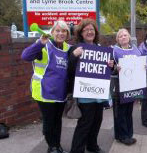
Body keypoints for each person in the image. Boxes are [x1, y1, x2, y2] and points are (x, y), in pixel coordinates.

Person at [21, 20, 70, 153]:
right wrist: (39, 44)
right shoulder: (44, 45)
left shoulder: (68, 48)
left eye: (64, 31)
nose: (61, 33)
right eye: (57, 30)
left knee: (57, 120)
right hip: (44, 91)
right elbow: (25, 56)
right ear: (52, 32)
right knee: (49, 121)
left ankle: (57, 145)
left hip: (61, 92)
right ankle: (52, 147)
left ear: (67, 33)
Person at [68, 19, 112, 153]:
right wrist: (74, 57)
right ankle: (76, 150)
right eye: (86, 29)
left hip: (99, 93)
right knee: (85, 124)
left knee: (97, 122)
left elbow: (106, 70)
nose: (89, 32)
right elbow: (69, 70)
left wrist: (111, 65)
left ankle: (92, 146)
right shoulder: (75, 49)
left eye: (91, 29)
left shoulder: (100, 48)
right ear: (80, 33)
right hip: (85, 94)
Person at [111, 28, 141, 145]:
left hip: (132, 86)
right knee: (120, 112)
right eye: (120, 36)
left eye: (125, 35)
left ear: (129, 37)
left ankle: (129, 134)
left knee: (128, 112)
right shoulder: (114, 51)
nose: (123, 37)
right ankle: (121, 136)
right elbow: (109, 68)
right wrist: (114, 69)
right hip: (119, 86)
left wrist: (144, 67)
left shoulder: (136, 50)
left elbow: (140, 65)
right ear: (118, 39)